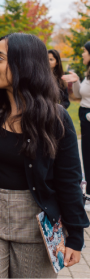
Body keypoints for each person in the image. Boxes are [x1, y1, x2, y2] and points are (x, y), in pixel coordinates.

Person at [0, 33, 89, 278]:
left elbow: (69, 179)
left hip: (37, 224)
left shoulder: (56, 119)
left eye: (0, 58)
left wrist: (75, 236)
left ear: (24, 65)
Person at [62, 41, 90, 210]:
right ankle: (88, 194)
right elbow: (80, 95)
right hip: (84, 115)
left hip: (89, 115)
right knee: (86, 153)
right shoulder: (88, 74)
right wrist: (77, 81)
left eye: (85, 52)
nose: (82, 55)